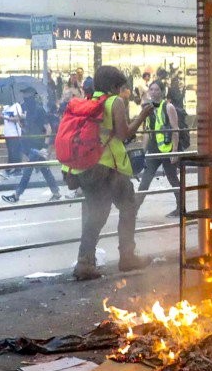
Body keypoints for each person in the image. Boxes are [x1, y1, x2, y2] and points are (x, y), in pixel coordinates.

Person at [65, 65, 155, 281]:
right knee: (128, 206)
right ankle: (127, 256)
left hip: (86, 166)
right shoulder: (114, 102)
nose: (123, 91)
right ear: (114, 86)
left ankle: (85, 262)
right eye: (121, 86)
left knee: (95, 215)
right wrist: (143, 113)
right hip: (109, 167)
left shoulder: (88, 101)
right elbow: (125, 134)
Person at [2, 89, 60, 204]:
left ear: (31, 96)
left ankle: (16, 194)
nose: (24, 97)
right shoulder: (28, 110)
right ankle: (56, 192)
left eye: (26, 95)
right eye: (23, 95)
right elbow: (29, 127)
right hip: (31, 144)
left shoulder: (39, 110)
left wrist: (45, 145)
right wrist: (22, 124)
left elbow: (48, 127)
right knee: (44, 169)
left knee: (28, 170)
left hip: (37, 146)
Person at [138, 80, 181, 211]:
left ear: (162, 92)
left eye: (157, 89)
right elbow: (147, 132)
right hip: (154, 149)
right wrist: (142, 152)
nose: (153, 92)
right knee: (145, 180)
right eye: (151, 89)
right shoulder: (147, 109)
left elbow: (175, 129)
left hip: (167, 150)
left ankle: (181, 208)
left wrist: (174, 151)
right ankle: (133, 210)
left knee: (172, 179)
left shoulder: (168, 107)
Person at [0, 96, 26, 175]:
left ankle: (18, 169)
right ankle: (9, 168)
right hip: (7, 133)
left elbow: (16, 119)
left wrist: (4, 117)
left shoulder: (16, 106)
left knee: (15, 151)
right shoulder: (6, 107)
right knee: (10, 152)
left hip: (14, 133)